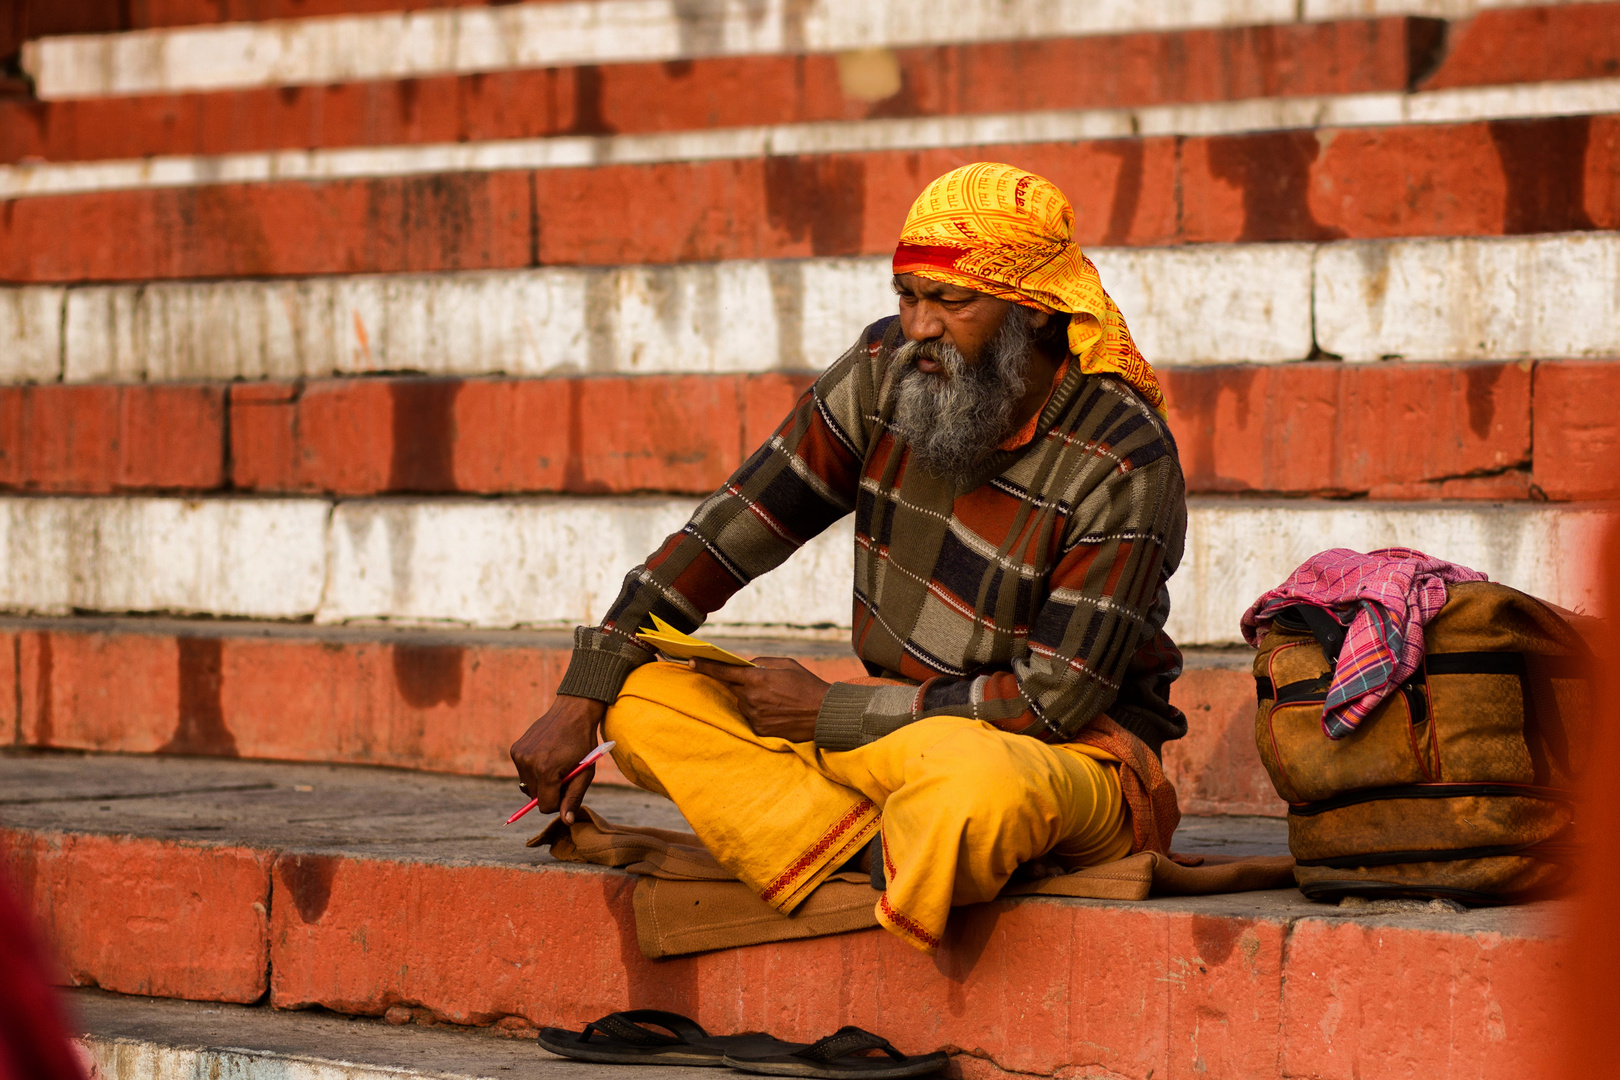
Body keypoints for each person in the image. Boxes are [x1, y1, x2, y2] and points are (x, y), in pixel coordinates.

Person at [512, 161, 1188, 953]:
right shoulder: (885, 369)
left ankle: (846, 844)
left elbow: (1051, 705)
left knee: (975, 791)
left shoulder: (1125, 461)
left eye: (951, 302)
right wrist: (581, 689)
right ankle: (889, 854)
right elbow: (733, 527)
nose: (920, 328)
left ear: (1032, 313)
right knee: (642, 700)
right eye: (908, 297)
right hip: (887, 735)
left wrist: (827, 712)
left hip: (1058, 757)